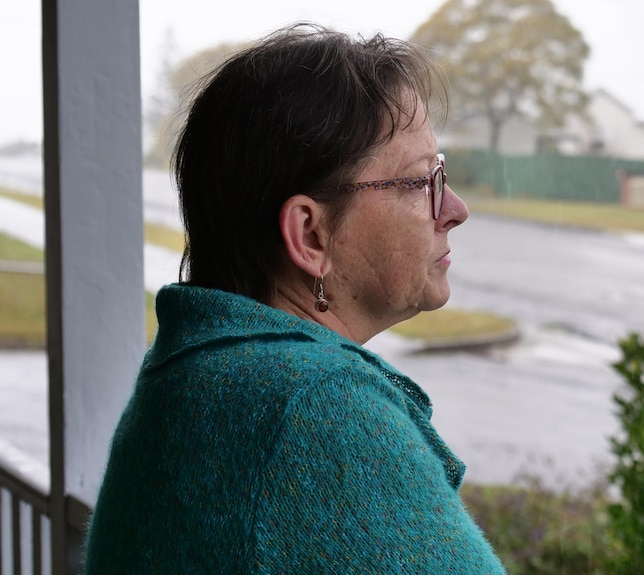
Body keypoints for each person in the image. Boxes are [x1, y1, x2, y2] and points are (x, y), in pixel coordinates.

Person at [83, 22, 507, 574]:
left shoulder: (194, 373)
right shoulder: (313, 406)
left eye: (442, 175)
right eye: (419, 181)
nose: (454, 209)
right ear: (310, 235)